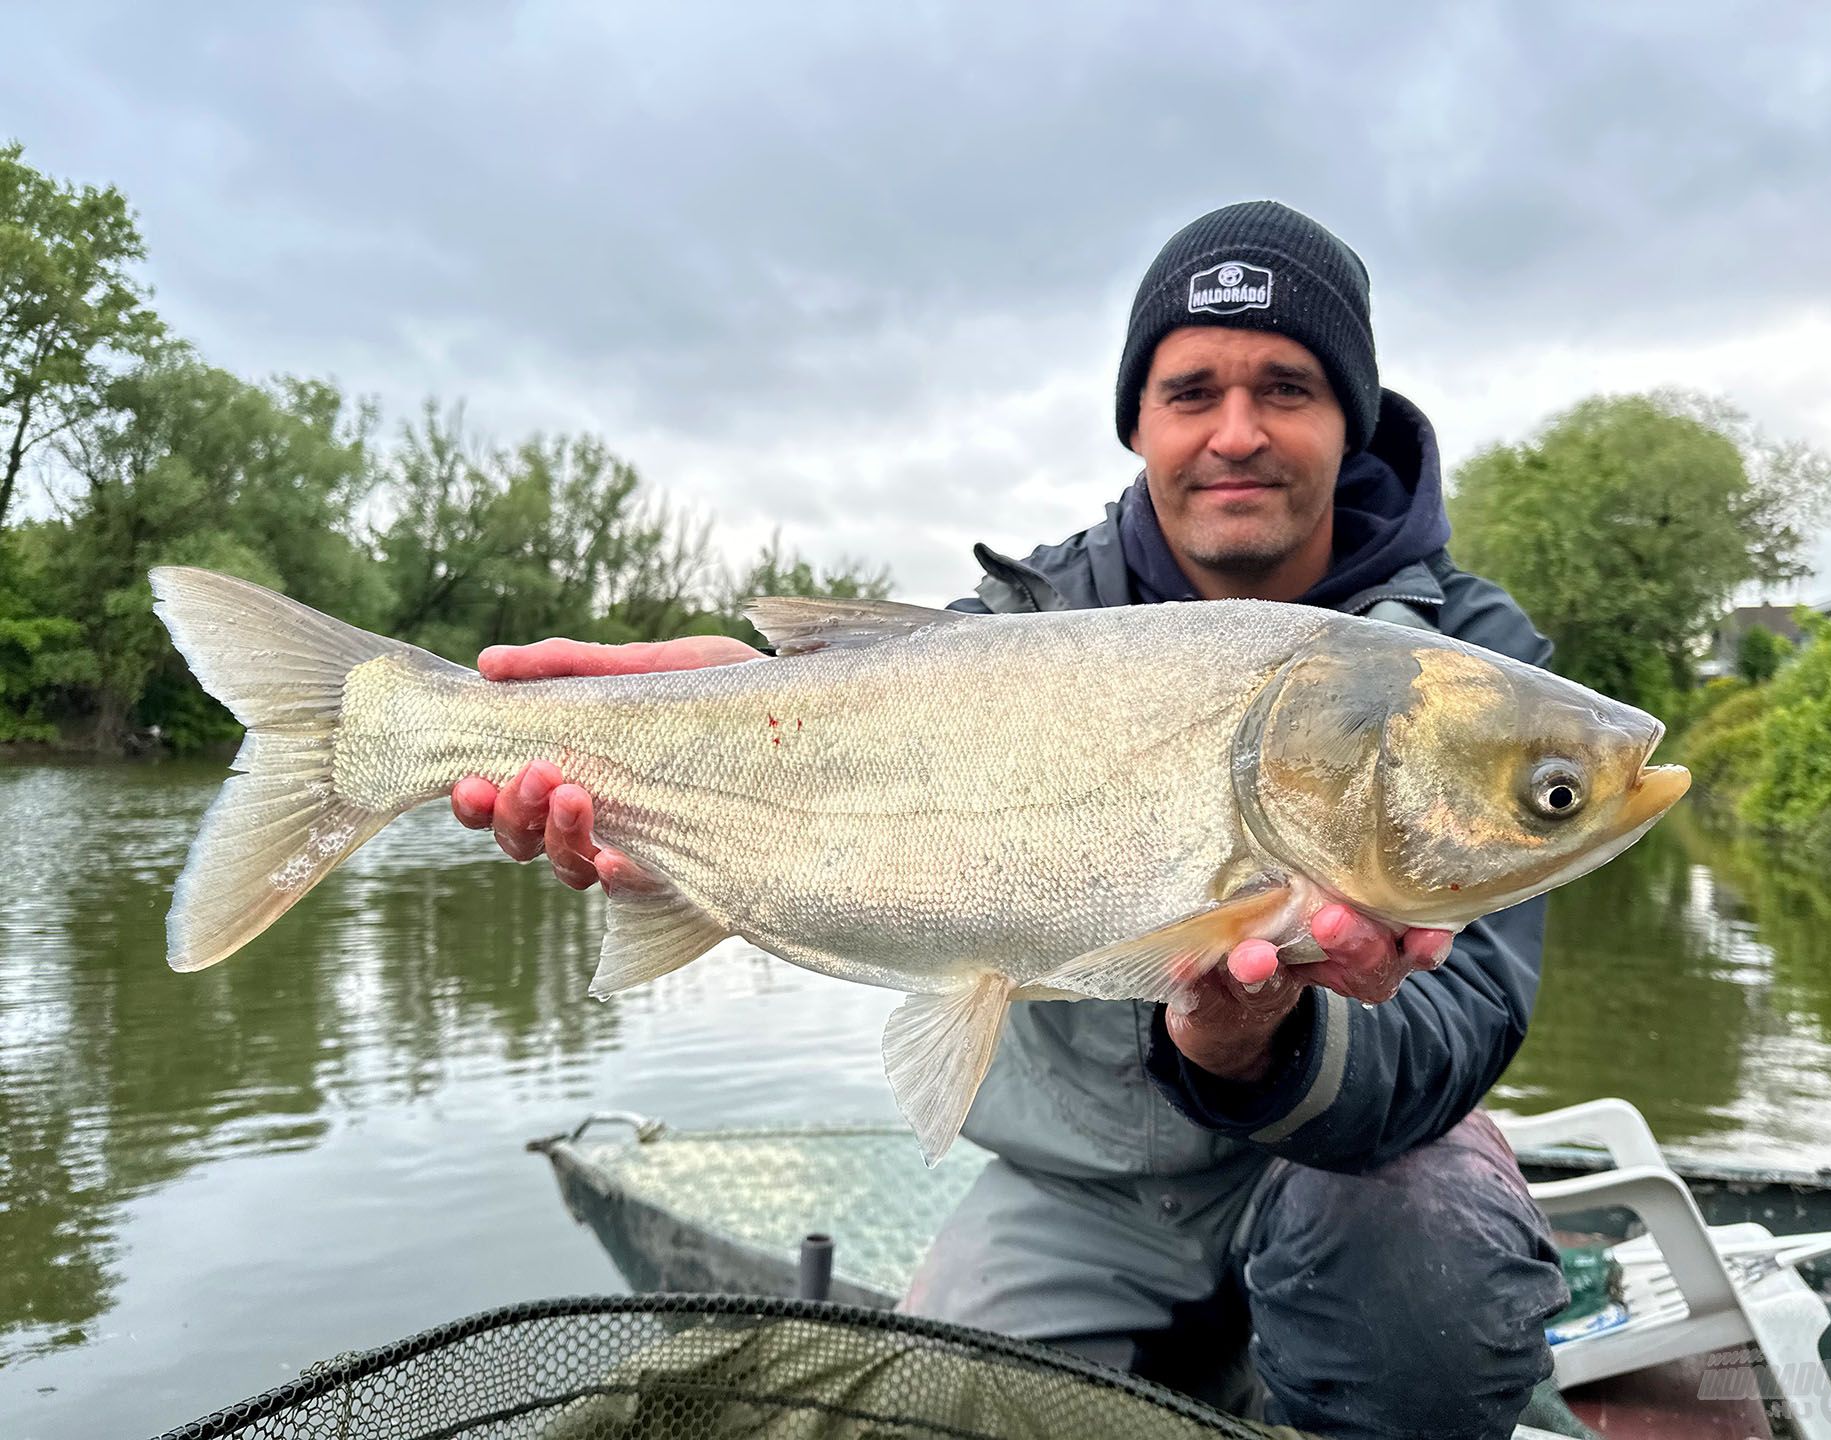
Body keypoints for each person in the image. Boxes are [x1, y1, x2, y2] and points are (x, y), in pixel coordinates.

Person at [452, 201, 1570, 1439]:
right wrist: (738, 713)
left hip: (1349, 1168)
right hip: (1074, 1184)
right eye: (1192, 389)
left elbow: (1465, 1025)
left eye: (1287, 388)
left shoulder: (1473, 673)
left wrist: (1253, 1044)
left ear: (1351, 417)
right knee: (925, 1409)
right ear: (1138, 422)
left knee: (1434, 1266)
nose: (1237, 433)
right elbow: (852, 735)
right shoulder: (1020, 624)